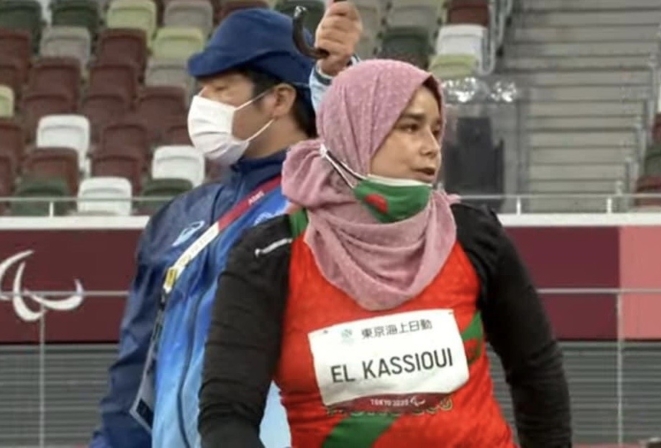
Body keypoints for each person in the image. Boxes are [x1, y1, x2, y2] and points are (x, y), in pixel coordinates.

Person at [198, 59, 572, 448]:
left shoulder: (472, 235)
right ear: (356, 130)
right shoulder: (269, 254)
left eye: (436, 130)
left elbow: (536, 371)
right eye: (410, 127)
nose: (431, 148)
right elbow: (227, 414)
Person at [89, 5, 362, 448]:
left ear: (279, 99)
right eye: (202, 90)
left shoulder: (324, 200)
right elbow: (135, 375)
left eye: (220, 89)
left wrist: (339, 79)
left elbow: (370, 170)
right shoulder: (177, 219)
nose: (202, 104)